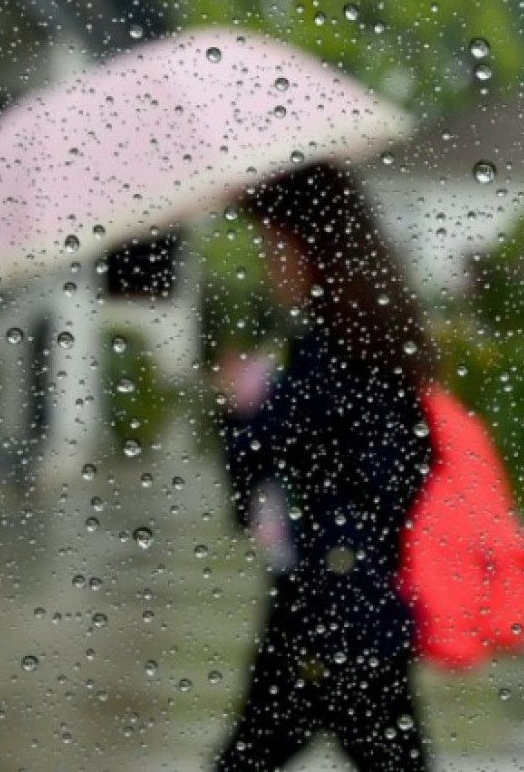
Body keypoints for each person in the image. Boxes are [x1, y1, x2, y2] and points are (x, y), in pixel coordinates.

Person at [214, 163, 435, 772]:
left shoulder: (335, 352)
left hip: (331, 606)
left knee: (250, 757)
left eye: (274, 246)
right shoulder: (365, 338)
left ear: (313, 246)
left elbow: (263, 460)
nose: (269, 263)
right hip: (348, 598)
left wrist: (241, 412)